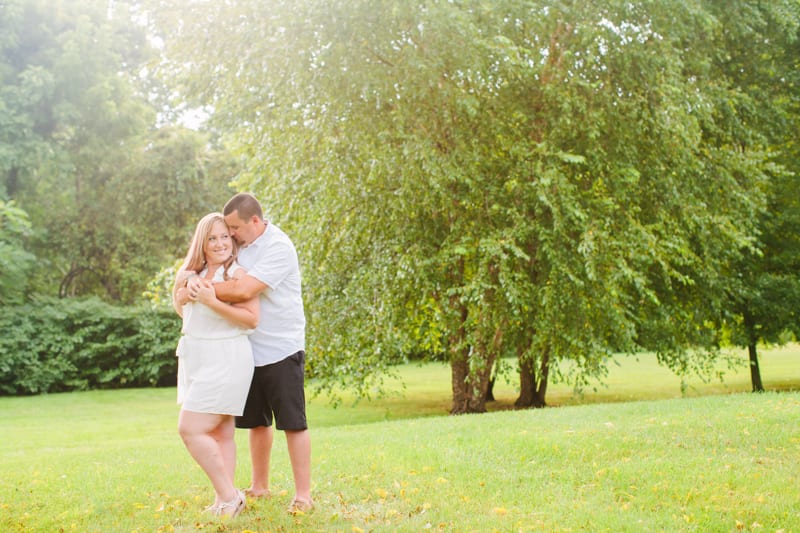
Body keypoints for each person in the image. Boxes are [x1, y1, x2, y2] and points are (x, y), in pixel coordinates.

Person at [185, 193, 313, 514]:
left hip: (281, 346)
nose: (231, 235)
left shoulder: (278, 248)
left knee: (293, 423)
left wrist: (202, 290)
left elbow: (242, 290)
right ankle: (259, 486)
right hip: (246, 349)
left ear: (255, 221)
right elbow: (214, 262)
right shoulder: (241, 243)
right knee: (256, 423)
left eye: (235, 228)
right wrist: (190, 283)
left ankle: (303, 495)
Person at [172, 212, 259, 518]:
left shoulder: (237, 274)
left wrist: (213, 302)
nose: (220, 243)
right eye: (213, 238)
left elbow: (251, 320)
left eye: (225, 236)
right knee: (222, 433)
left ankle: (230, 495)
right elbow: (185, 311)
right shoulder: (192, 274)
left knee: (190, 428)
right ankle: (223, 502)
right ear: (202, 243)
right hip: (197, 357)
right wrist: (185, 294)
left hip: (227, 358)